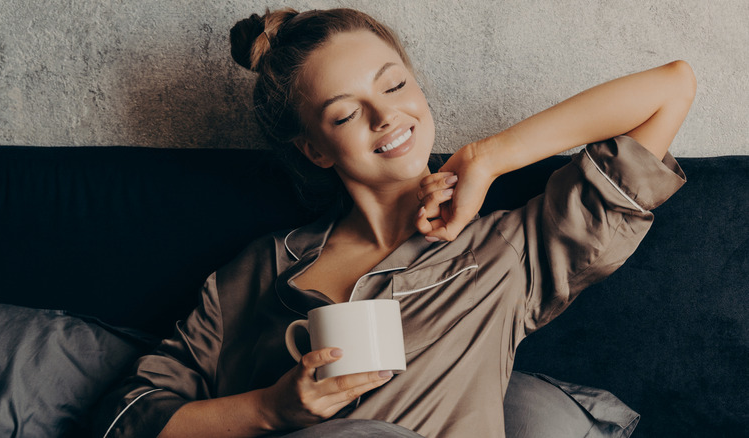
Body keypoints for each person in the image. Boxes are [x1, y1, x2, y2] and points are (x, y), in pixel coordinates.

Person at [95, 7, 693, 438]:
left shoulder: (506, 250)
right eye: (347, 113)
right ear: (316, 151)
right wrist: (272, 410)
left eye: (396, 85)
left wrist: (488, 157)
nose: (387, 116)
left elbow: (672, 87)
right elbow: (126, 416)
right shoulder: (257, 273)